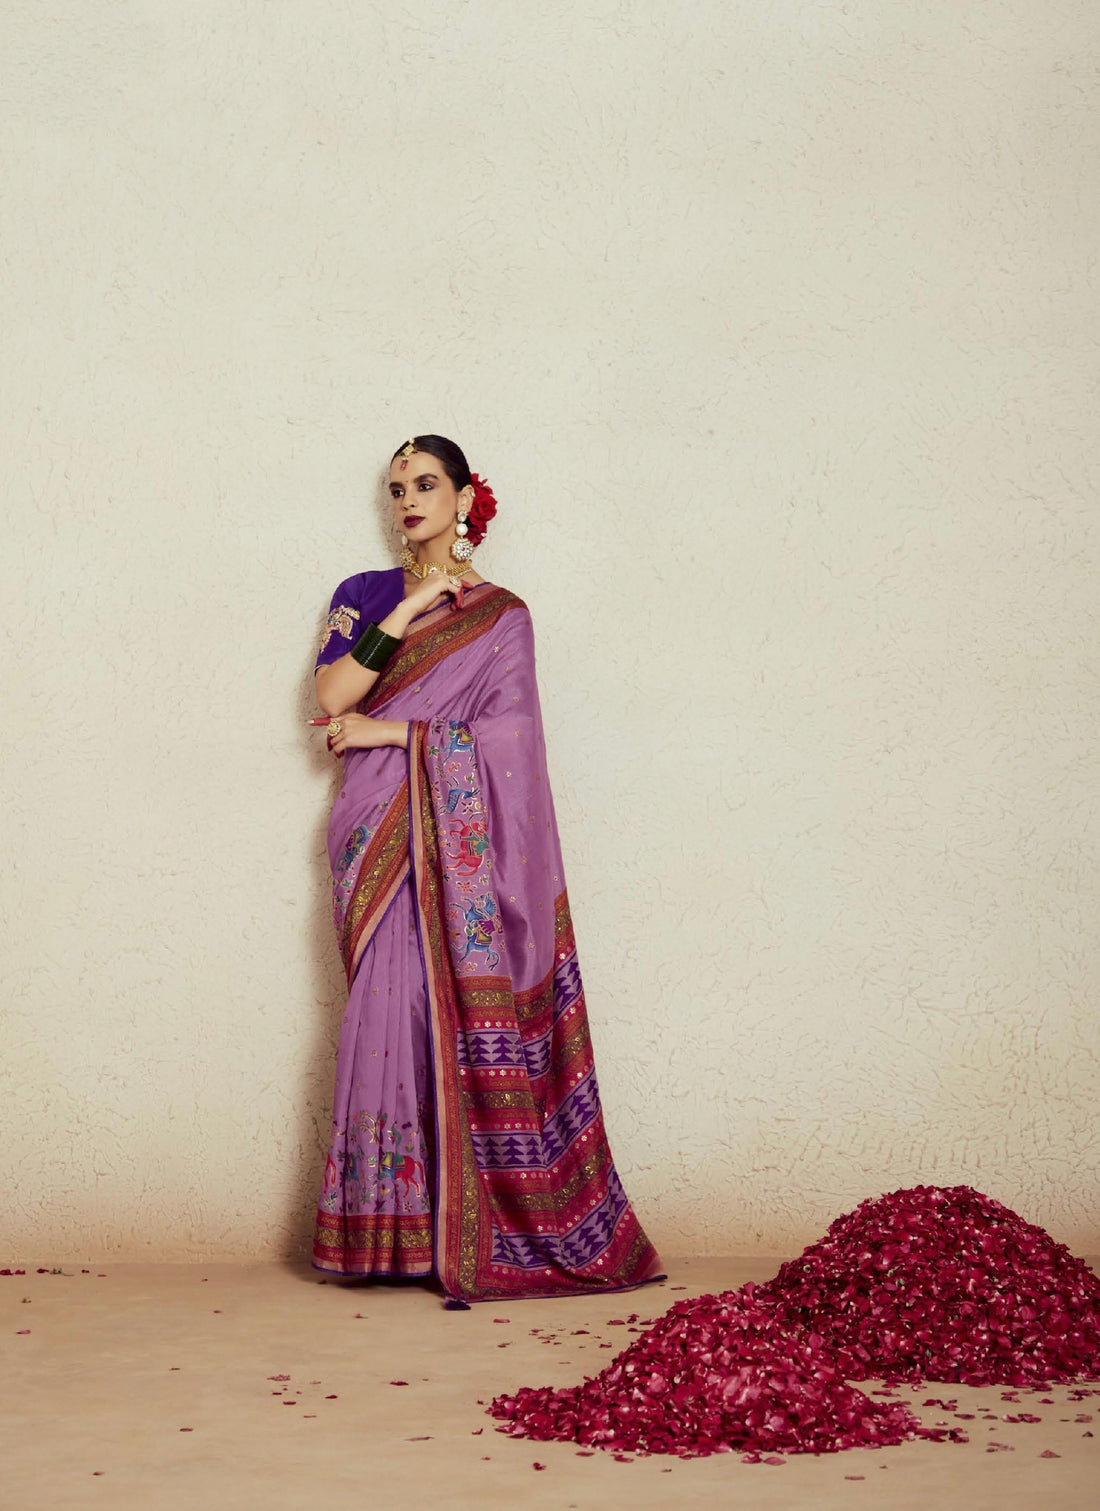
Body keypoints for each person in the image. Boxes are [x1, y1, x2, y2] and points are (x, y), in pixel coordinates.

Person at [308, 434, 662, 1305]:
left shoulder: (504, 618)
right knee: (383, 1007)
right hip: (376, 830)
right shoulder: (364, 594)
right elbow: (330, 697)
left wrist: (393, 732)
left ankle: (449, 1225)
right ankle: (382, 1232)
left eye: (426, 484)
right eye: (397, 488)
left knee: (430, 1009)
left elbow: (511, 742)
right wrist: (411, 604)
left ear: (465, 498)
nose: (408, 500)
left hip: (436, 824)